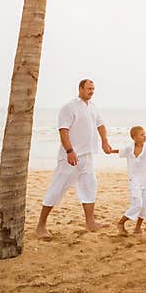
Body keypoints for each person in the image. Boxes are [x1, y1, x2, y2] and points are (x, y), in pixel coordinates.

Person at [36, 79, 113, 238]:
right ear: (80, 89)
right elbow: (63, 130)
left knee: (89, 188)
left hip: (88, 156)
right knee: (57, 189)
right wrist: (70, 151)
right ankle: (40, 226)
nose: (91, 91)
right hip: (71, 157)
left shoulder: (92, 107)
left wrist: (105, 141)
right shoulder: (69, 107)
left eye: (93, 88)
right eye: (88, 88)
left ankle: (90, 223)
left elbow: (101, 125)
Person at [105, 125, 146, 236]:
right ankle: (121, 223)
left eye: (145, 134)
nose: (145, 136)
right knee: (137, 204)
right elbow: (119, 151)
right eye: (142, 134)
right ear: (134, 137)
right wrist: (110, 151)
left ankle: (137, 228)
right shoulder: (129, 148)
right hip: (134, 181)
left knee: (145, 205)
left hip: (145, 181)